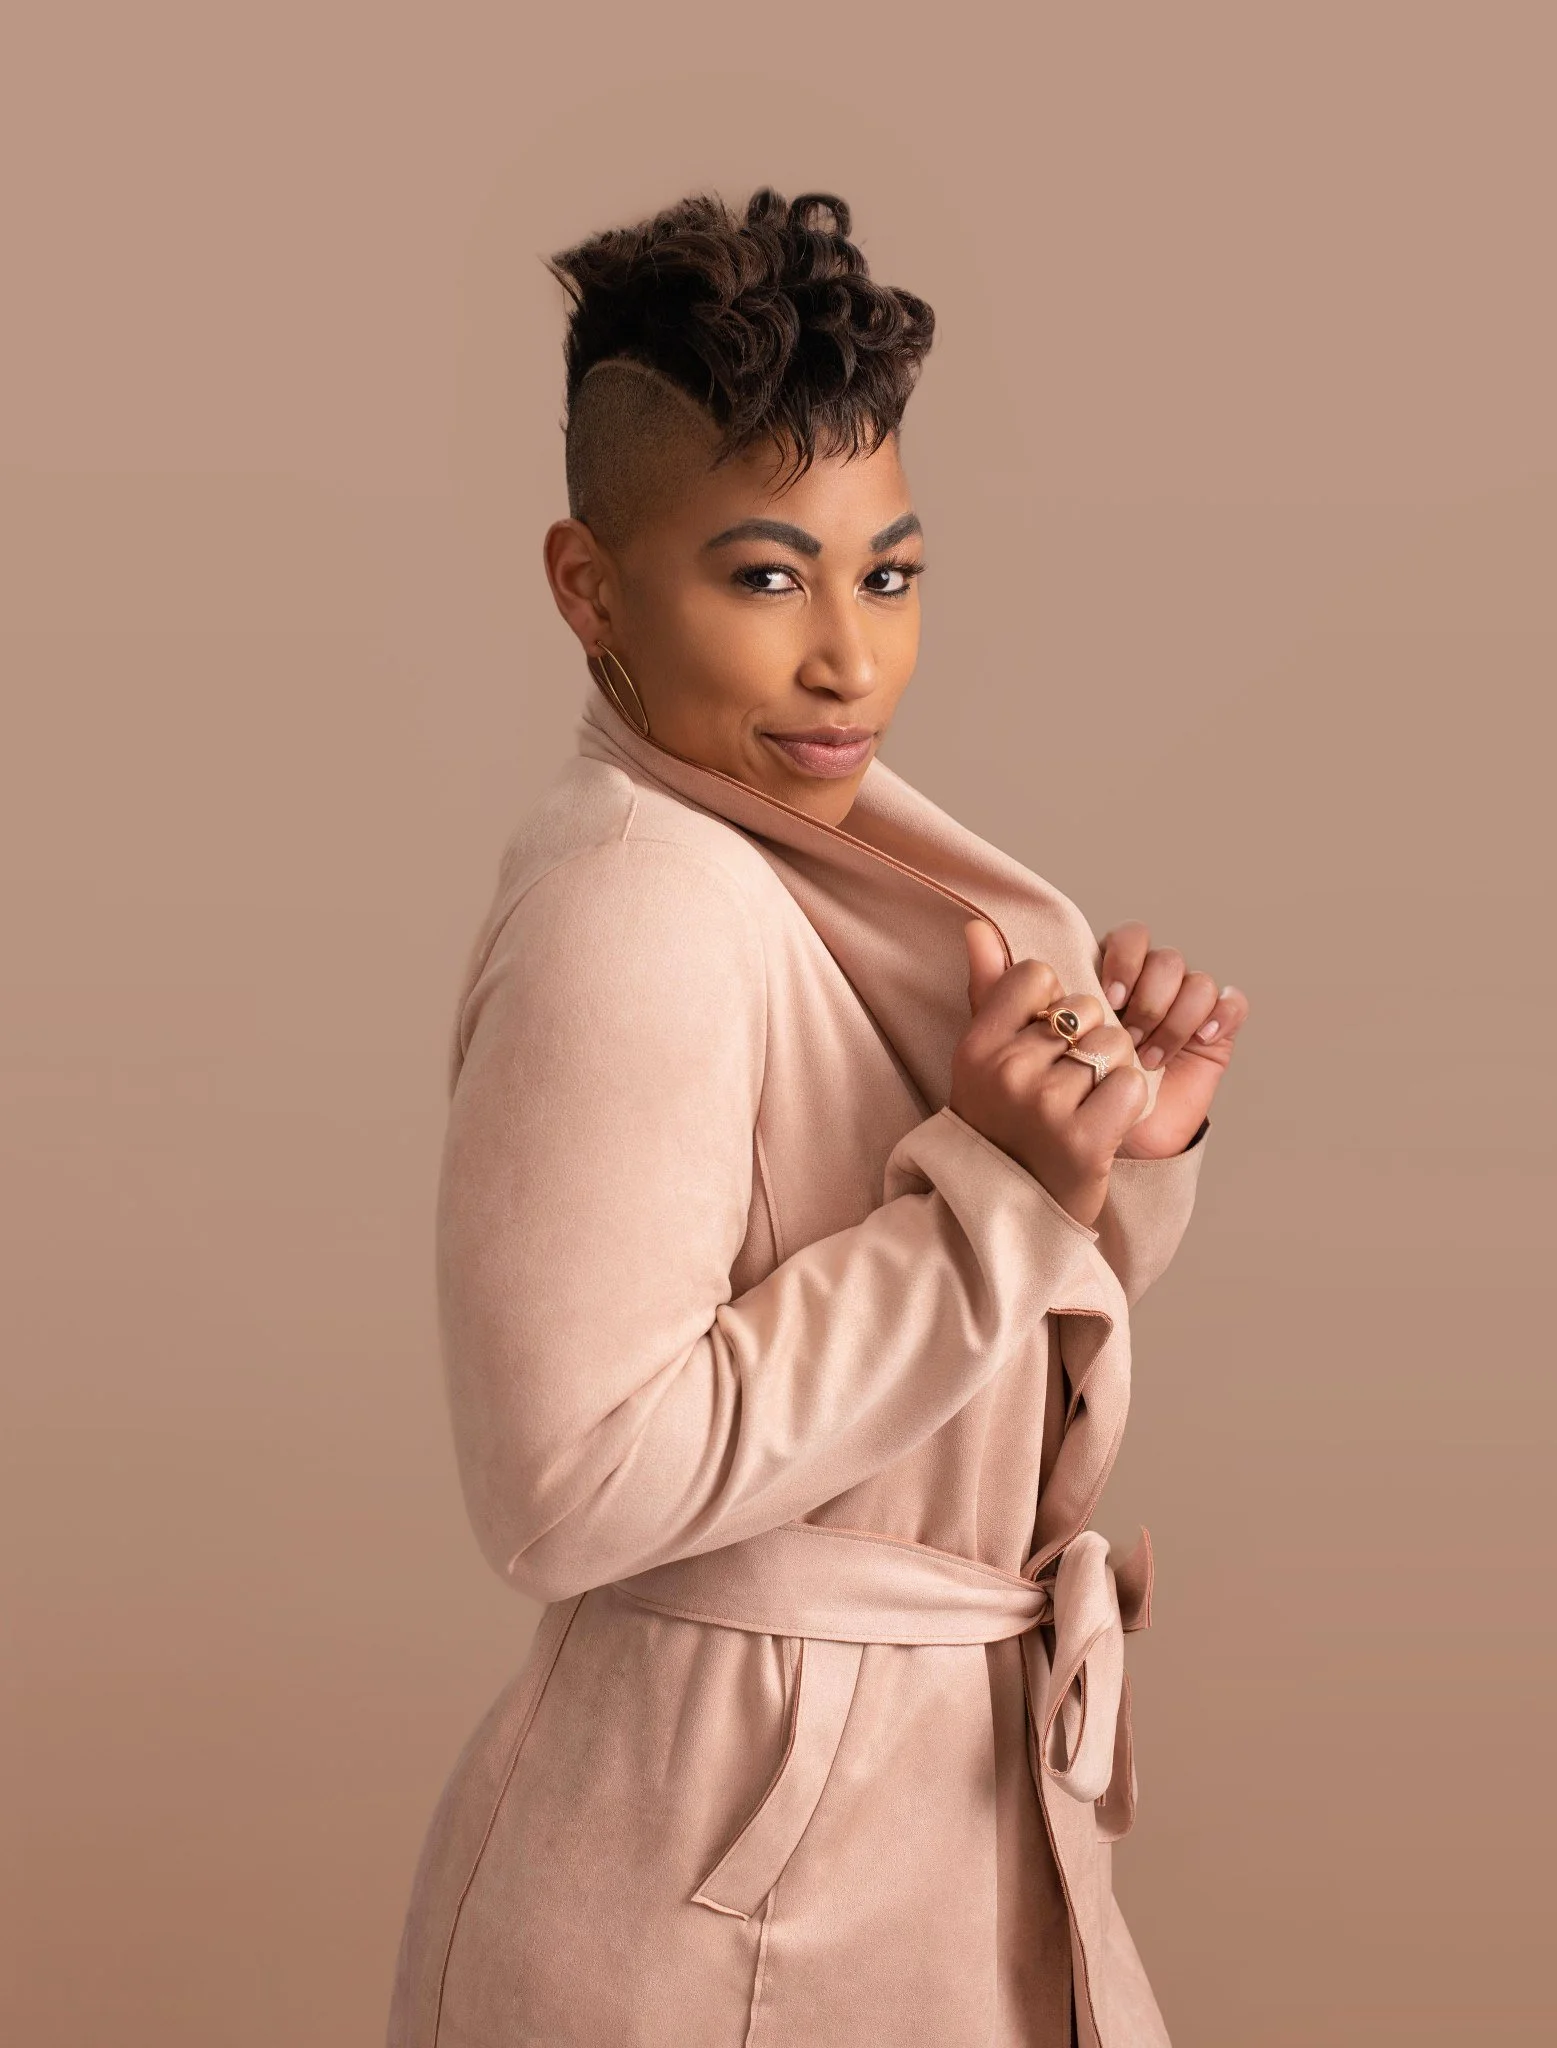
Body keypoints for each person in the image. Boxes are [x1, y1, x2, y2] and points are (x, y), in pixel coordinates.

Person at [386, 187, 1247, 2048]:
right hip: (715, 1910)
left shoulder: (828, 872)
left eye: (890, 573)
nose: (849, 658)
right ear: (589, 585)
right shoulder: (634, 903)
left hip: (929, 1835)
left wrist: (1112, 1151)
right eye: (766, 577)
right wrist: (998, 1194)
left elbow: (936, 1360)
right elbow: (565, 1485)